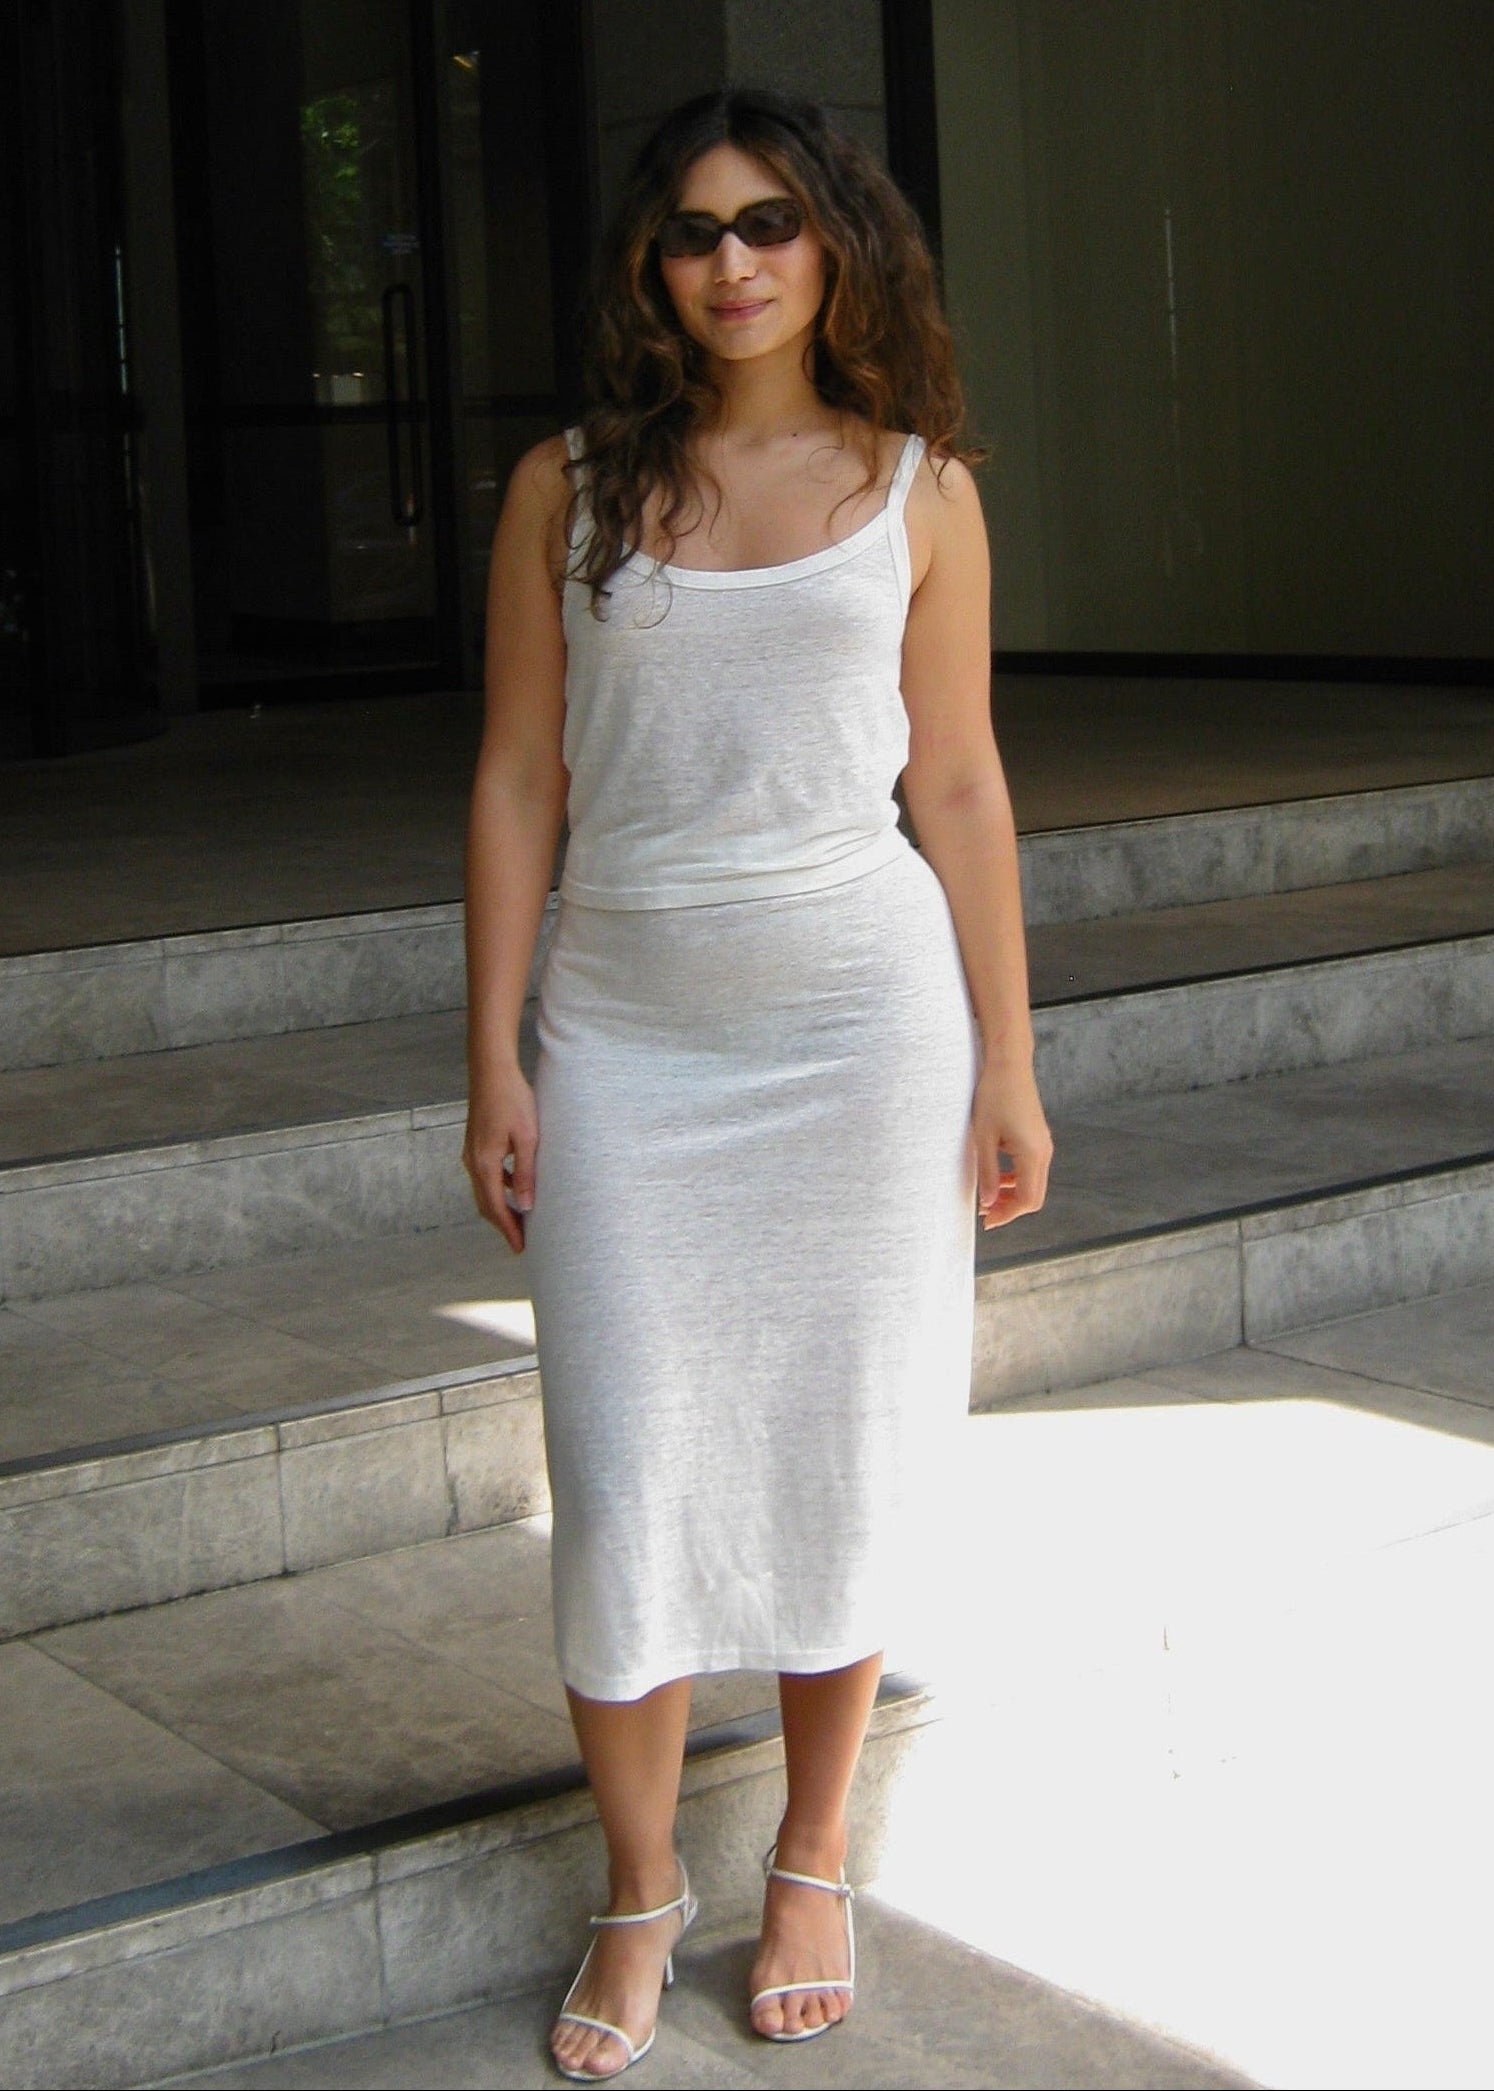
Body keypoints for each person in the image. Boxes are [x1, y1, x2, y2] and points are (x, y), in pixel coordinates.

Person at [462, 87, 1053, 2084]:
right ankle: (641, 1887)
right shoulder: (566, 491)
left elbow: (957, 782)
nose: (732, 262)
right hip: (626, 1033)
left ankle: (810, 1853)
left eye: (771, 223)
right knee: (626, 1467)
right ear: (651, 265)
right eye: (694, 230)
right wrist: (492, 1050)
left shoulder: (919, 491)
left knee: (834, 1448)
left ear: (836, 246)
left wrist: (1008, 1061)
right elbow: (518, 779)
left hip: (861, 1033)